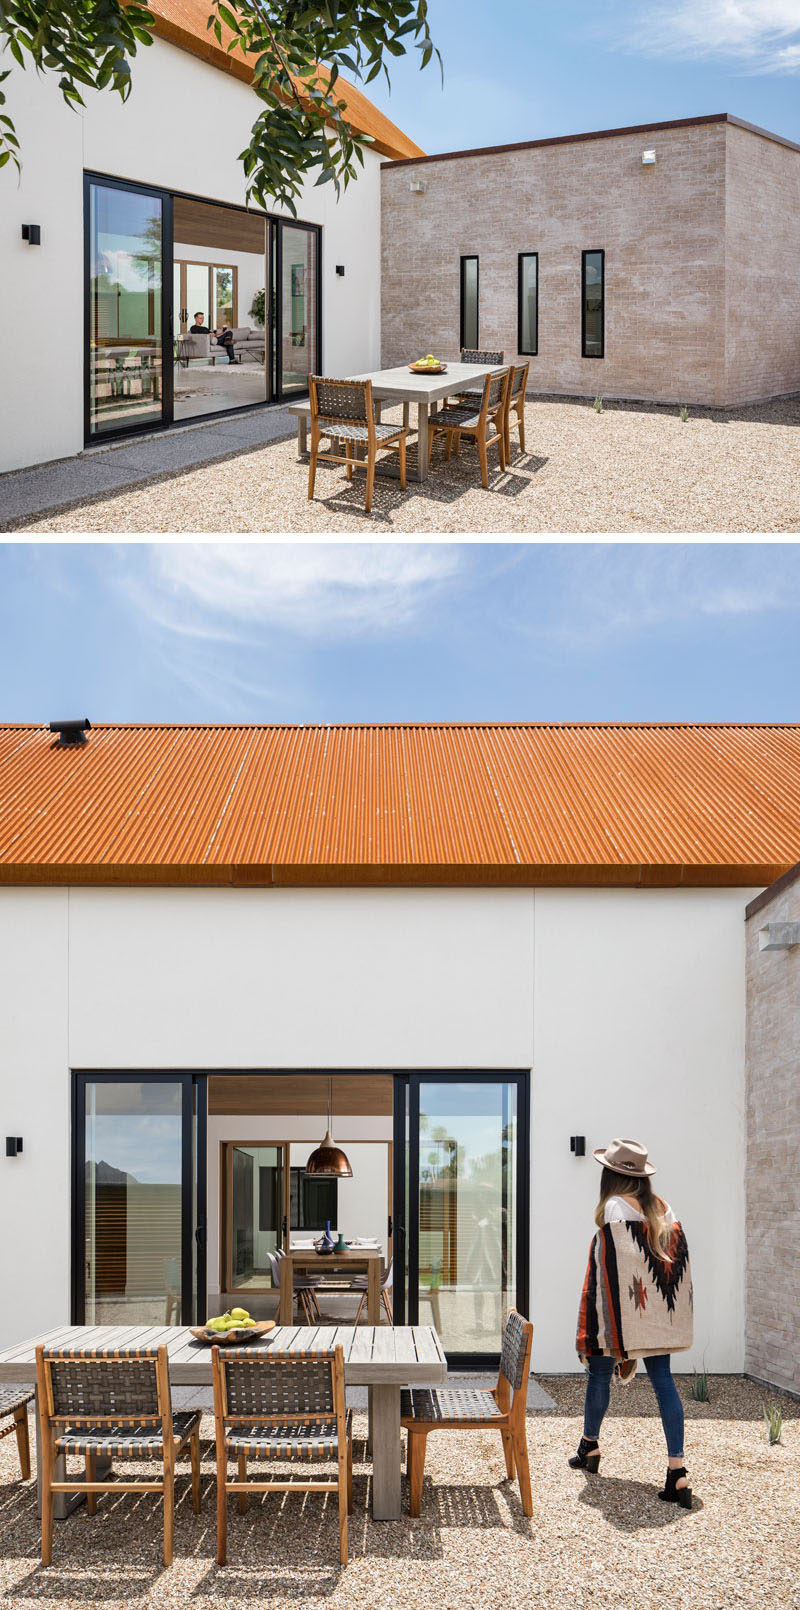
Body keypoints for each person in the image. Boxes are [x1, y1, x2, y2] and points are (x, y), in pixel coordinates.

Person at [570, 1138, 694, 1509]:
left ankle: (590, 1447)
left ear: (611, 1175)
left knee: (598, 1373)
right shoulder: (664, 1207)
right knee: (664, 1382)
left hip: (622, 1313)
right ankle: (678, 1470)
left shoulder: (614, 1206)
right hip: (658, 1312)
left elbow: (616, 1260)